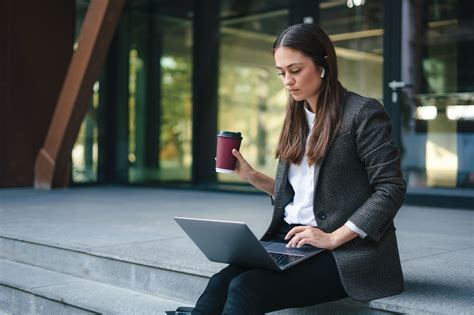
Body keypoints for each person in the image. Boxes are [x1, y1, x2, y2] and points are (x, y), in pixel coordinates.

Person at [191, 23, 406, 315]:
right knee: (220, 284)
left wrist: (332, 237)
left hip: (345, 249)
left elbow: (390, 188)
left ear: (323, 65)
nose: (287, 81)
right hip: (291, 239)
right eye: (281, 73)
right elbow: (302, 193)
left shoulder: (362, 113)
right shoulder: (296, 115)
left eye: (295, 70)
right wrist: (253, 177)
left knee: (246, 288)